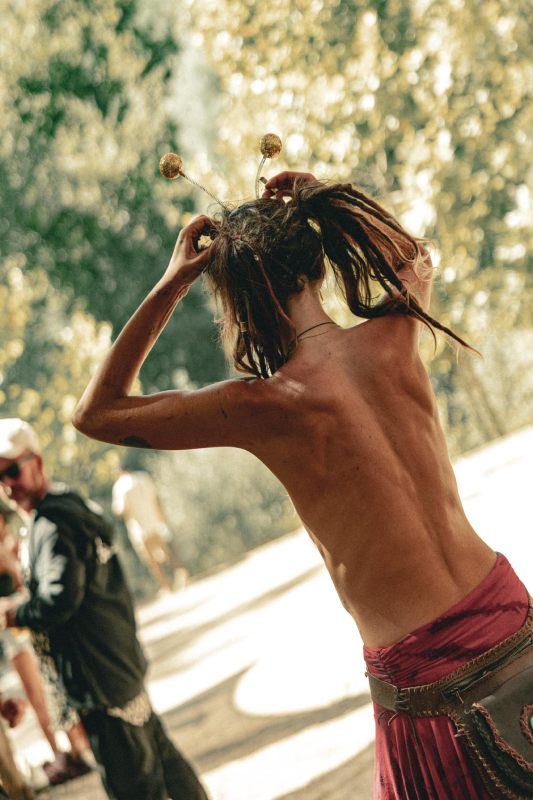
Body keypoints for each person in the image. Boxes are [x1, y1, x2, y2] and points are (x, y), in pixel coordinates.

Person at [73, 170, 532, 799]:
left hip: (426, 675)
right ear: (315, 267)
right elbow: (417, 256)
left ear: (240, 300)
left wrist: (173, 282)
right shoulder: (396, 333)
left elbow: (96, 414)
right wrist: (326, 196)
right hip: (509, 613)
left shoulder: (265, 404)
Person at [0, 419, 208, 800]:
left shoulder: (52, 524)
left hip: (99, 684)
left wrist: (16, 613)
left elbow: (59, 599)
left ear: (37, 463)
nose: (7, 485)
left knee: (136, 787)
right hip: (120, 668)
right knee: (166, 769)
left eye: (13, 470)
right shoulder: (70, 505)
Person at [112, 467, 187, 592]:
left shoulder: (120, 487)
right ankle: (180, 574)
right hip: (155, 522)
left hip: (139, 529)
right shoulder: (143, 478)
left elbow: (120, 509)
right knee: (167, 551)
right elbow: (157, 498)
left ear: (118, 473)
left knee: (151, 560)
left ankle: (166, 586)